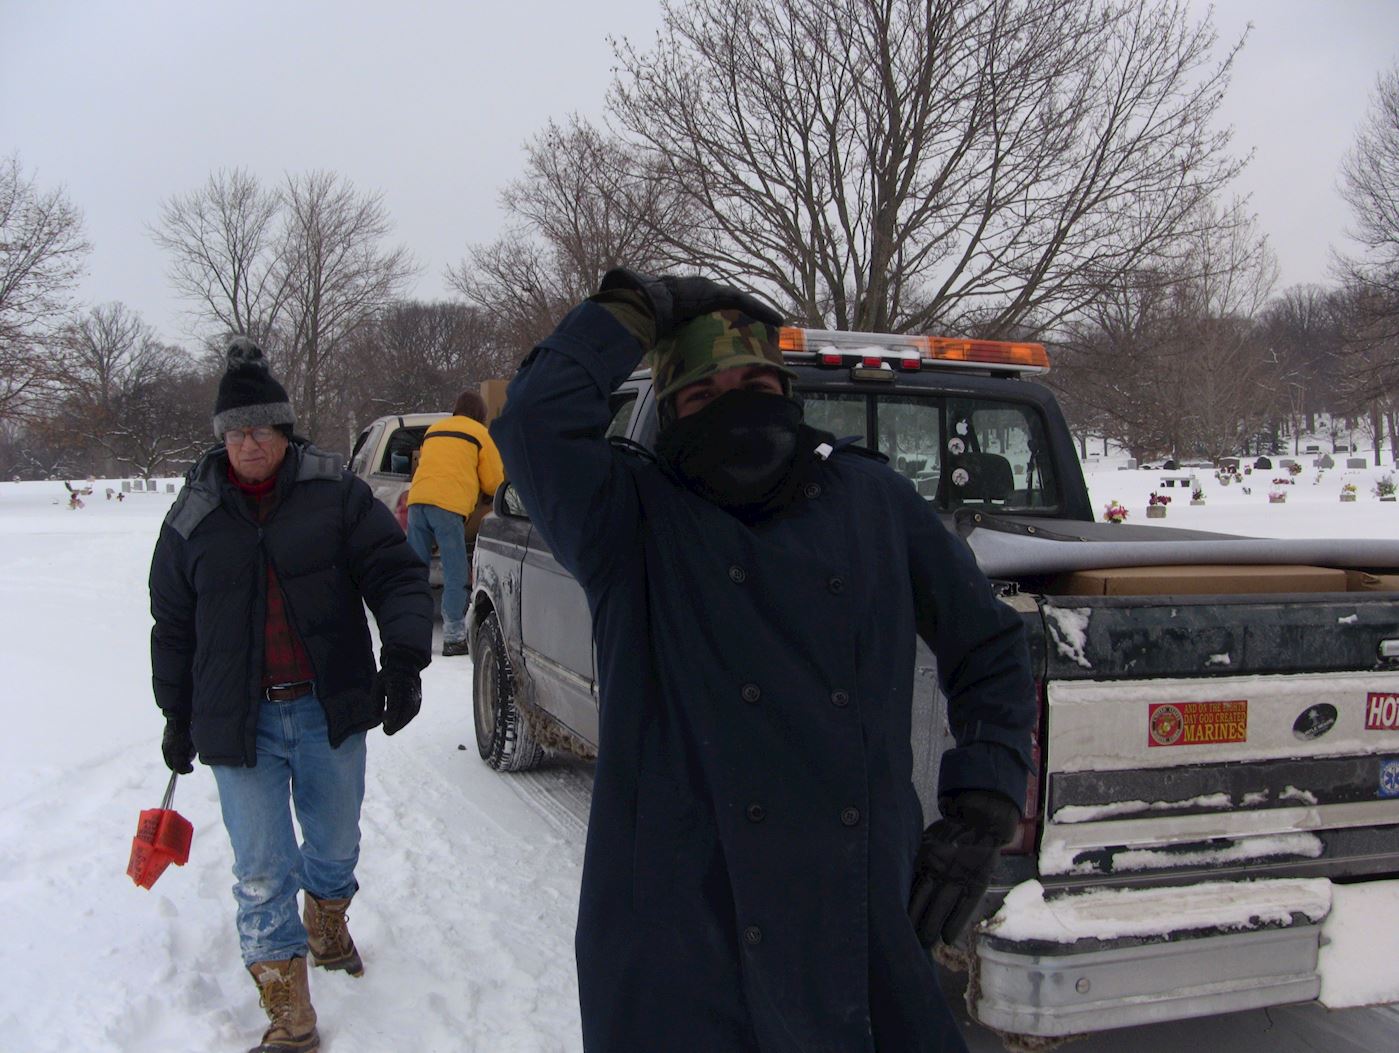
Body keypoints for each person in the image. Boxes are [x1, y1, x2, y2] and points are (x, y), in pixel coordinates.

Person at [491, 271, 1037, 1052]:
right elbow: (535, 420)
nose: (736, 404)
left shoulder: (872, 502)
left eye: (755, 382)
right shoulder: (629, 521)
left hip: (852, 920)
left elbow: (989, 644)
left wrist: (983, 804)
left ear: (787, 393)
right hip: (683, 933)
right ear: (670, 416)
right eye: (704, 394)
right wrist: (633, 309)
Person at [149, 336, 432, 1053]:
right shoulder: (193, 515)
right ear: (222, 436)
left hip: (324, 707)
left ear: (283, 430)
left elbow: (395, 575)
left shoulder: (334, 494)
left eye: (260, 428)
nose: (248, 442)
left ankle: (328, 916)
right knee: (260, 867)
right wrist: (176, 715)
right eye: (235, 430)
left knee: (333, 843)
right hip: (236, 720)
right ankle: (289, 1012)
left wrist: (401, 659)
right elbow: (172, 624)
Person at [405, 389, 505, 656]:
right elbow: (495, 481)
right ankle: (453, 637)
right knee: (455, 573)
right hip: (447, 507)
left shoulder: (434, 430)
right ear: (480, 414)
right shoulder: (479, 434)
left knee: (414, 573)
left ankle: (412, 634)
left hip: (417, 502)